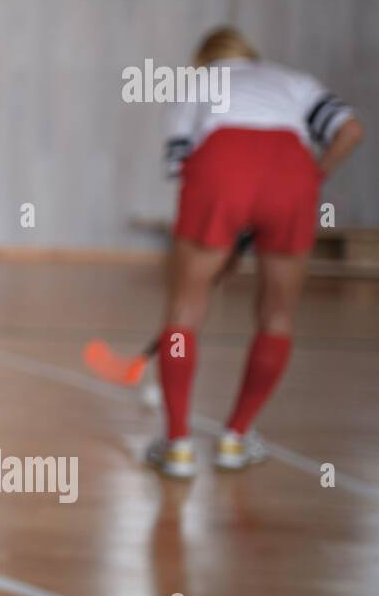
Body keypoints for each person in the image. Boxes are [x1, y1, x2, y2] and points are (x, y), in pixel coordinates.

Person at [147, 26, 363, 479]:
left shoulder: (199, 82)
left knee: (185, 311)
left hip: (220, 165)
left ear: (205, 59)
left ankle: (178, 445)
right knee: (278, 316)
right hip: (292, 171)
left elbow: (179, 163)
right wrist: (311, 179)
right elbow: (351, 130)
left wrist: (213, 245)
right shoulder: (295, 80)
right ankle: (236, 438)